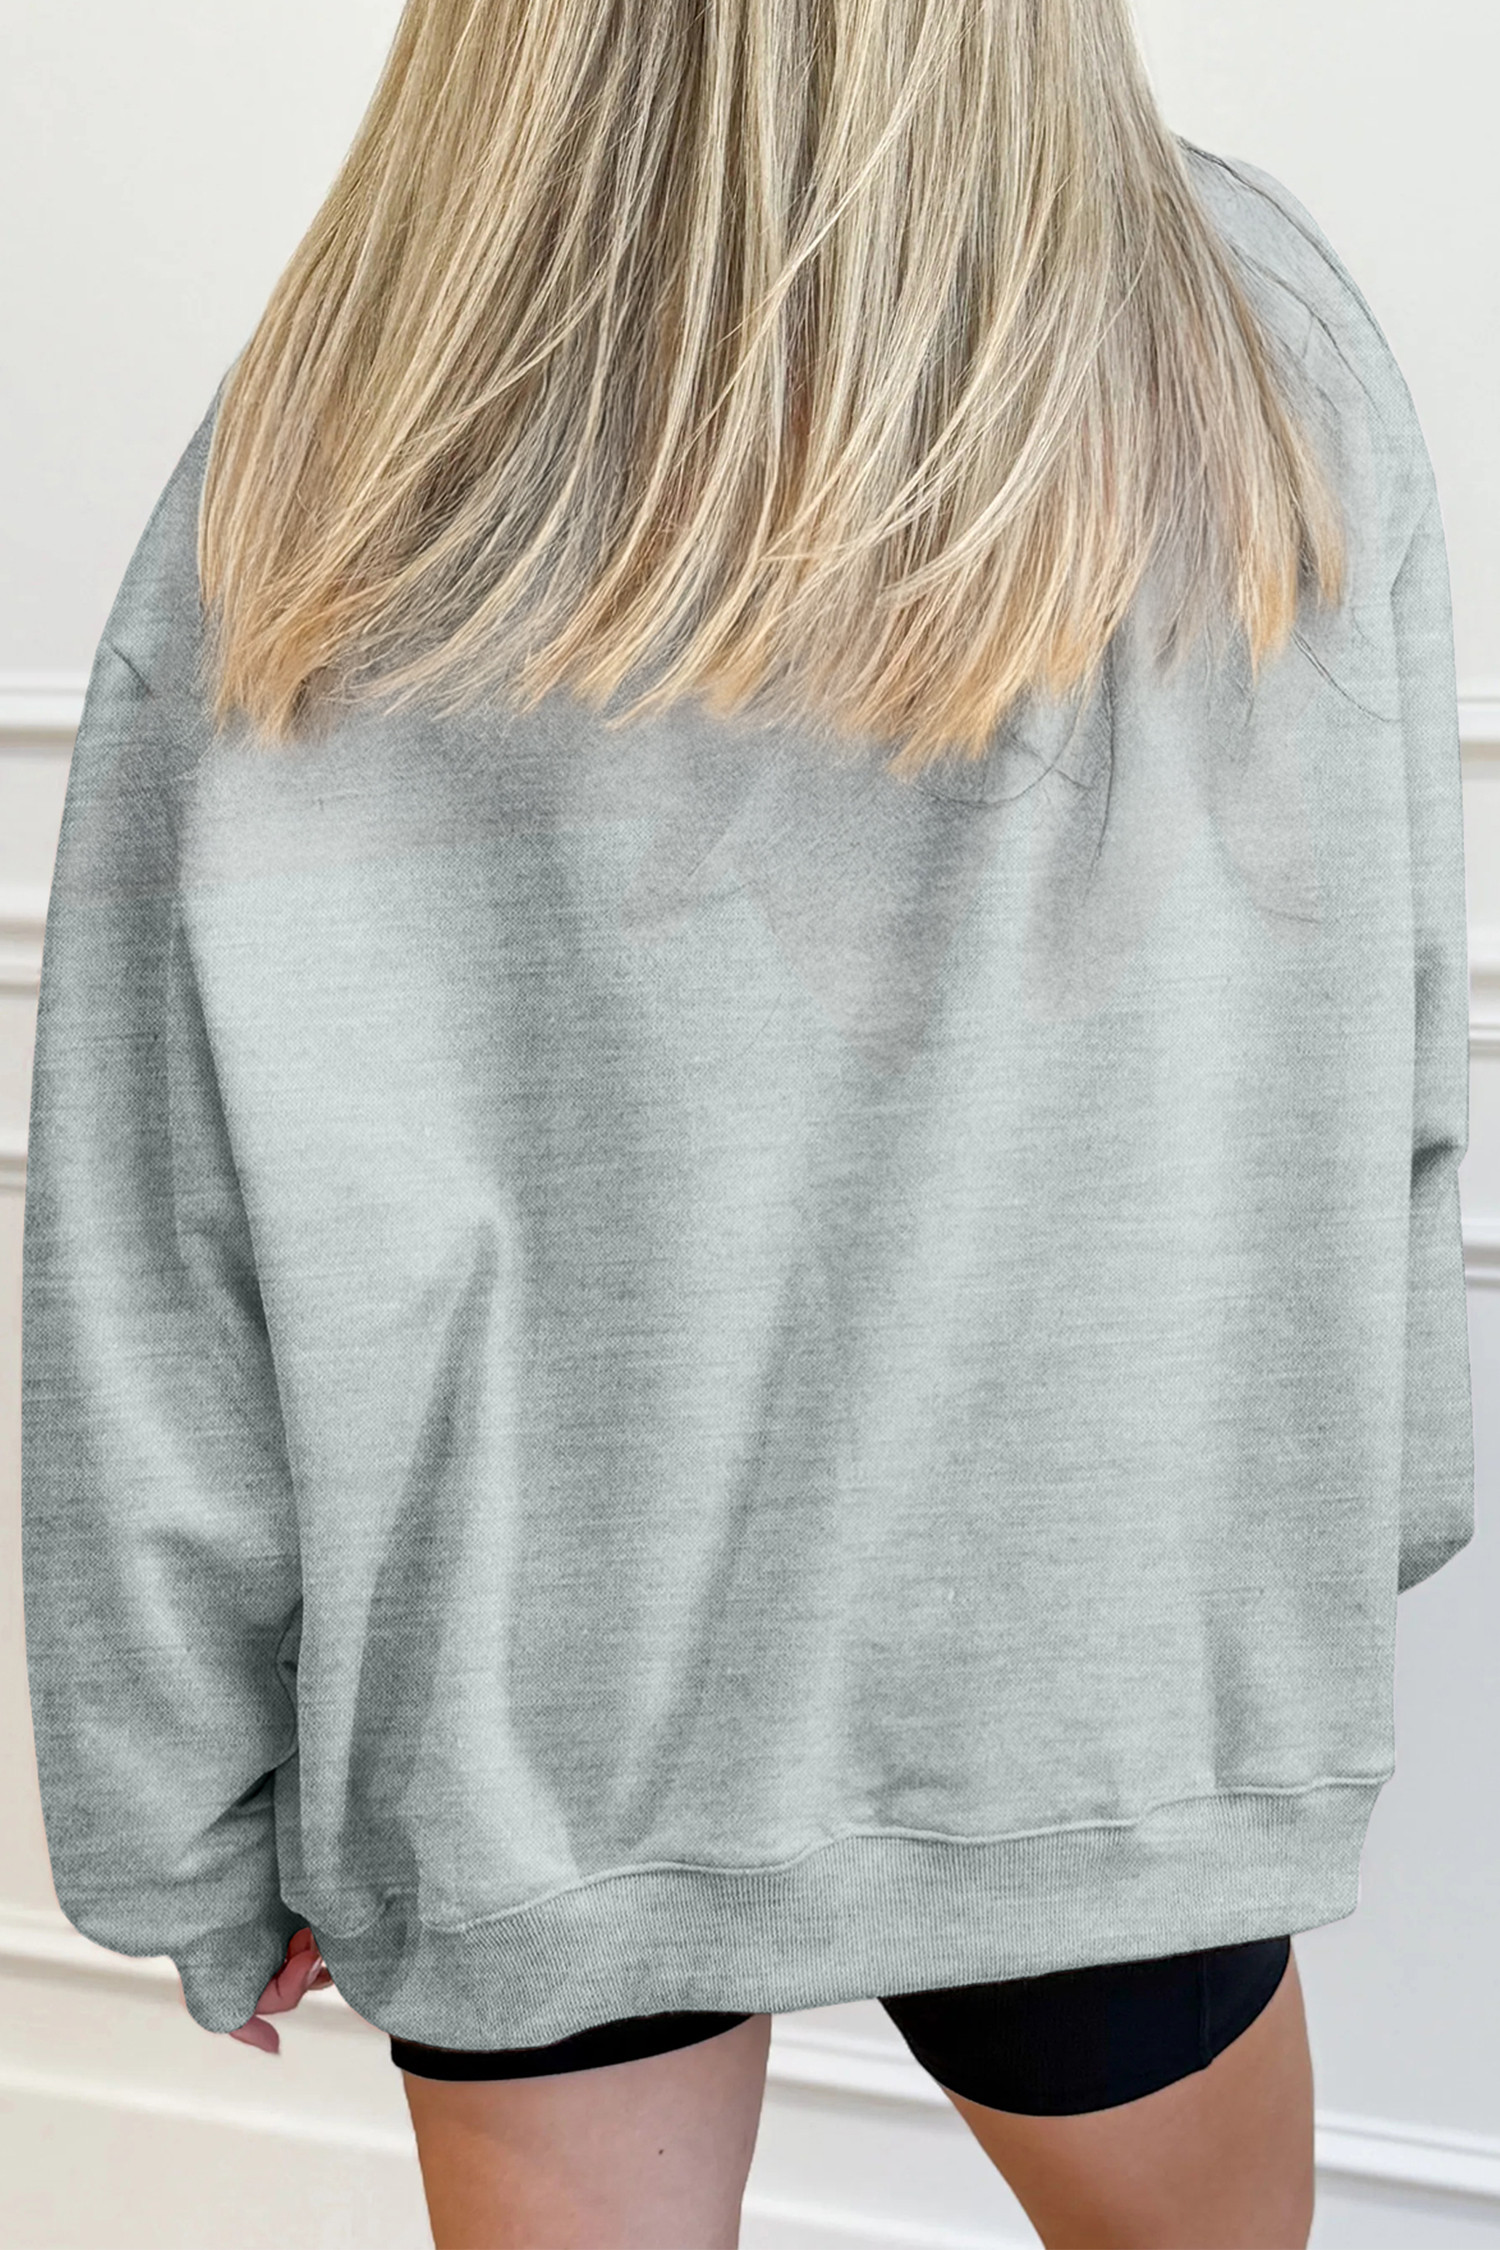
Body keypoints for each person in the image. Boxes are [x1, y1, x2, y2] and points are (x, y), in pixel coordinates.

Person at [19, 0, 1472, 2243]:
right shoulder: (1253, 339)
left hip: (533, 1721)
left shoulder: (348, 421)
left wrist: (180, 1814)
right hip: (1101, 1681)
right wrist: (1347, 1521)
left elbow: (158, 1207)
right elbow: (1378, 1012)